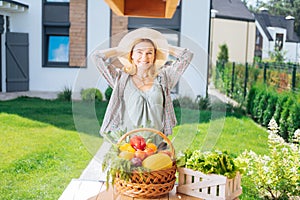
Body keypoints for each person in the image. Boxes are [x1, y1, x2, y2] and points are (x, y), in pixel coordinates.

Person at [92, 27, 193, 144]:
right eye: (139, 52)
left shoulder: (165, 78)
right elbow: (96, 57)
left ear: (155, 56)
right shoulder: (120, 79)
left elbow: (187, 56)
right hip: (126, 145)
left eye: (149, 52)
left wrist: (164, 47)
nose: (144, 57)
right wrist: (121, 49)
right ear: (131, 55)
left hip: (156, 145)